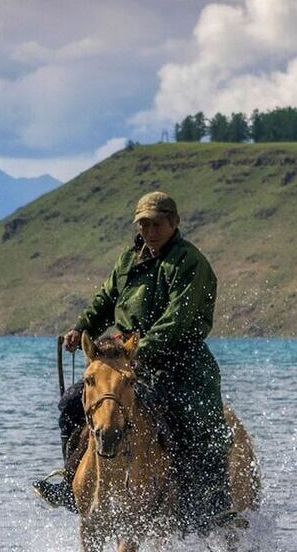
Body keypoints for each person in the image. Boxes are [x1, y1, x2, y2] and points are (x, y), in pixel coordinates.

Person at [33, 191, 232, 533]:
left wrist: (135, 351)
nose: (150, 231)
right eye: (144, 224)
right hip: (125, 360)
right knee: (71, 403)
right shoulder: (129, 260)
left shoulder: (190, 263)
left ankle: (212, 503)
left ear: (174, 223)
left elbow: (177, 321)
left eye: (157, 224)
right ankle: (70, 484)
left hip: (179, 362)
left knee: (195, 421)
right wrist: (82, 326)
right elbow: (106, 300)